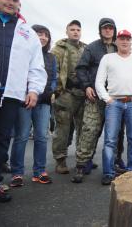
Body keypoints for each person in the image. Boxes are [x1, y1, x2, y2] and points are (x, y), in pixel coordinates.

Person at [0, 0, 47, 202]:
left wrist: (34, 90)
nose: (11, 2)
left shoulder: (27, 32)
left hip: (10, 94)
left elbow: (36, 65)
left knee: (1, 140)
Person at [72, 18, 120, 183]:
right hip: (95, 96)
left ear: (114, 30)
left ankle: (115, 161)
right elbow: (81, 69)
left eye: (110, 28)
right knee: (90, 130)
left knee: (115, 133)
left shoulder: (118, 48)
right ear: (100, 30)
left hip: (114, 97)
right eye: (104, 28)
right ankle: (81, 164)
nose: (107, 31)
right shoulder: (91, 48)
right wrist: (86, 86)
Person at [95, 29, 132, 185]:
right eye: (122, 39)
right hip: (114, 103)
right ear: (116, 41)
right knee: (110, 139)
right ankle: (109, 172)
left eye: (127, 39)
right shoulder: (108, 58)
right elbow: (99, 82)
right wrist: (107, 99)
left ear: (131, 42)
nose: (124, 41)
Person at [10, 25, 56, 187]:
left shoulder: (51, 57)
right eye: (39, 34)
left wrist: (52, 92)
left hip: (43, 103)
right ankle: (17, 173)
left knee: (41, 137)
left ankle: (39, 172)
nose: (43, 37)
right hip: (25, 101)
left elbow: (54, 78)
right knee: (21, 136)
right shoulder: (23, 53)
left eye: (46, 35)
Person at [51, 20, 87, 174]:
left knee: (83, 130)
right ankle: (60, 160)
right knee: (63, 130)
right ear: (67, 31)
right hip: (66, 94)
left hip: (82, 94)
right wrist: (59, 91)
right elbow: (54, 71)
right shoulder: (58, 49)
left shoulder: (86, 49)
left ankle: (82, 160)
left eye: (78, 29)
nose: (75, 32)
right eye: (72, 29)